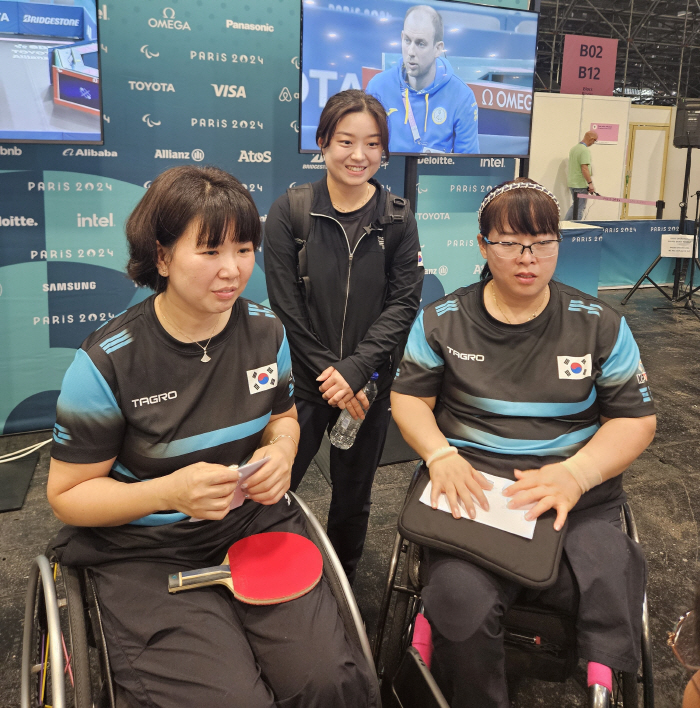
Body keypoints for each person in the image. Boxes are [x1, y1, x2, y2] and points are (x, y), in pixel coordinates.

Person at [47, 165, 379, 708]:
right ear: (162, 256)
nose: (232, 270)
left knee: (330, 682)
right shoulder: (107, 363)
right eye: (209, 252)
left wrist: (282, 450)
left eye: (244, 249)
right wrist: (167, 494)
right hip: (147, 550)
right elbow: (66, 496)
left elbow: (283, 418)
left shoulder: (266, 332)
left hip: (251, 526)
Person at [391, 177, 656, 708]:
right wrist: (440, 454)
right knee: (456, 601)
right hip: (478, 494)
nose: (527, 257)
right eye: (510, 243)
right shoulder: (442, 321)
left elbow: (634, 421)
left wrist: (576, 475)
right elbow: (409, 398)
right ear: (483, 245)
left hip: (577, 498)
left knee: (609, 573)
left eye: (542, 242)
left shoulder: (600, 324)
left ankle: (602, 683)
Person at [264, 89, 423, 584]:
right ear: (322, 143)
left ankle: (342, 583)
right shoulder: (290, 212)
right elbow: (286, 307)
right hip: (306, 384)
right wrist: (330, 372)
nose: (360, 156)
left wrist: (357, 370)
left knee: (354, 496)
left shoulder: (397, 217)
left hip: (368, 384)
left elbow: (402, 304)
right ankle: (269, 570)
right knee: (276, 483)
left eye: (373, 144)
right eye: (346, 141)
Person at [365, 5, 479, 154]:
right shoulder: (377, 87)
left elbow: (468, 169)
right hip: (385, 176)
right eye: (407, 41)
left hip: (435, 177)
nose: (411, 52)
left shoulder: (462, 97)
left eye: (420, 44)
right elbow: (365, 149)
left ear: (438, 48)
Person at [565, 130, 598, 220]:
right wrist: (590, 183)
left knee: (575, 206)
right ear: (591, 139)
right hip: (580, 184)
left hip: (572, 183)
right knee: (579, 208)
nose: (594, 143)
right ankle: (575, 227)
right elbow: (584, 168)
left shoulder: (574, 148)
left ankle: (564, 226)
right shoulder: (584, 151)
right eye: (595, 141)